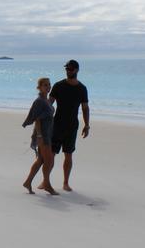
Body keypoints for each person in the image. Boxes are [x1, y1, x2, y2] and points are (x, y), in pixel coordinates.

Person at [47, 59, 90, 192]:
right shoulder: (58, 85)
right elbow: (49, 103)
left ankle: (65, 183)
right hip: (57, 124)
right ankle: (46, 181)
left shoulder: (82, 88)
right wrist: (43, 119)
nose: (68, 71)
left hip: (72, 126)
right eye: (66, 69)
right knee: (52, 154)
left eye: (70, 69)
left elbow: (85, 108)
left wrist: (87, 125)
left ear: (76, 70)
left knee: (68, 154)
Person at [22, 77, 58, 195]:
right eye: (45, 85)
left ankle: (28, 182)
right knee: (49, 160)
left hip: (48, 133)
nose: (48, 87)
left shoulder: (47, 100)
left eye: (49, 85)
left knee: (41, 160)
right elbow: (37, 119)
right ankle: (47, 184)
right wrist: (39, 135)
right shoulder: (39, 101)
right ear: (39, 87)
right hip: (42, 135)